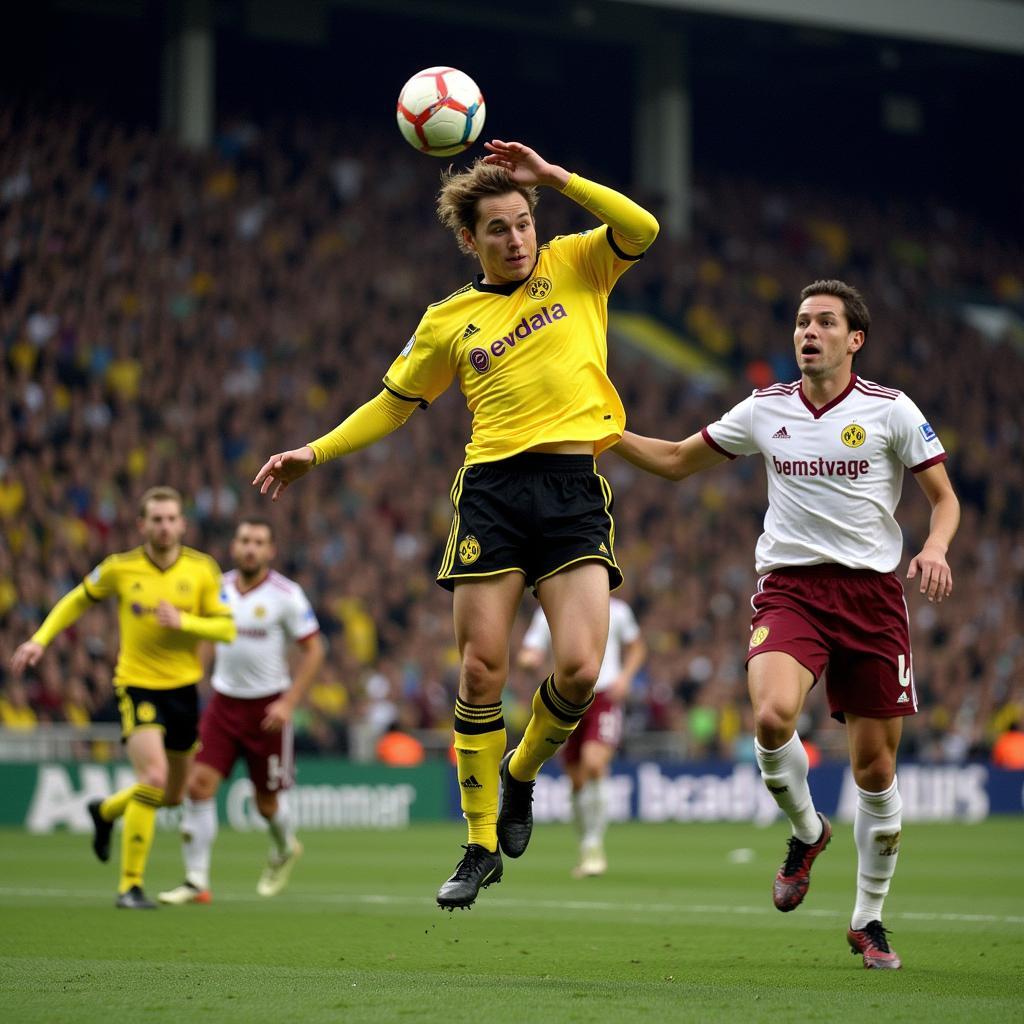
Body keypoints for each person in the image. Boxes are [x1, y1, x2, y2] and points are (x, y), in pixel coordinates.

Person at [252, 139, 659, 909]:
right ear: (468, 240)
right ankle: (477, 847)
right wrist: (317, 449)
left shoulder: (578, 264)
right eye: (497, 230)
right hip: (494, 492)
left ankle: (520, 773)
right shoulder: (448, 320)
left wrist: (555, 178)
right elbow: (393, 405)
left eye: (523, 222)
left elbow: (642, 228)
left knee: (578, 668)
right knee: (481, 669)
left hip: (573, 488)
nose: (516, 240)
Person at [614, 280, 959, 969]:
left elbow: (943, 499)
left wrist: (935, 546)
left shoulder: (891, 411)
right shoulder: (765, 408)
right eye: (802, 321)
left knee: (876, 769)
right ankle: (808, 832)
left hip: (872, 600)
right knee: (772, 718)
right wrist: (607, 436)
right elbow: (681, 461)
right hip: (792, 591)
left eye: (824, 322)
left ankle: (868, 920)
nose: (809, 332)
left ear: (853, 339)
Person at [10, 486, 235, 909]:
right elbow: (77, 599)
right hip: (137, 685)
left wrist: (184, 620)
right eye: (157, 519)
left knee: (172, 793)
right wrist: (40, 639)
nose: (165, 526)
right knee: (152, 779)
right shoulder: (121, 567)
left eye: (171, 518)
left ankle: (106, 811)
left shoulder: (204, 570)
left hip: (184, 691)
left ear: (182, 523)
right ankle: (130, 886)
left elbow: (226, 629)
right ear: (142, 524)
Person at [158, 517, 323, 906]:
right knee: (198, 786)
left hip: (268, 709)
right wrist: (192, 678)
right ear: (234, 547)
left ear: (270, 551)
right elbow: (205, 637)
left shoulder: (287, 594)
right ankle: (196, 880)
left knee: (267, 804)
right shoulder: (217, 589)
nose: (250, 548)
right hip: (222, 704)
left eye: (258, 542)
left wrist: (288, 703)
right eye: (245, 541)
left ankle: (284, 848)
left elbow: (315, 649)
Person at [518, 595, 645, 877]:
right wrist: (530, 659)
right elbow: (530, 649)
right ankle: (586, 844)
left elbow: (636, 648)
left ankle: (594, 846)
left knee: (594, 763)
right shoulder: (550, 608)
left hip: (604, 696)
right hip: (564, 699)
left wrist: (625, 678)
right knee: (576, 780)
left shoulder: (618, 610)